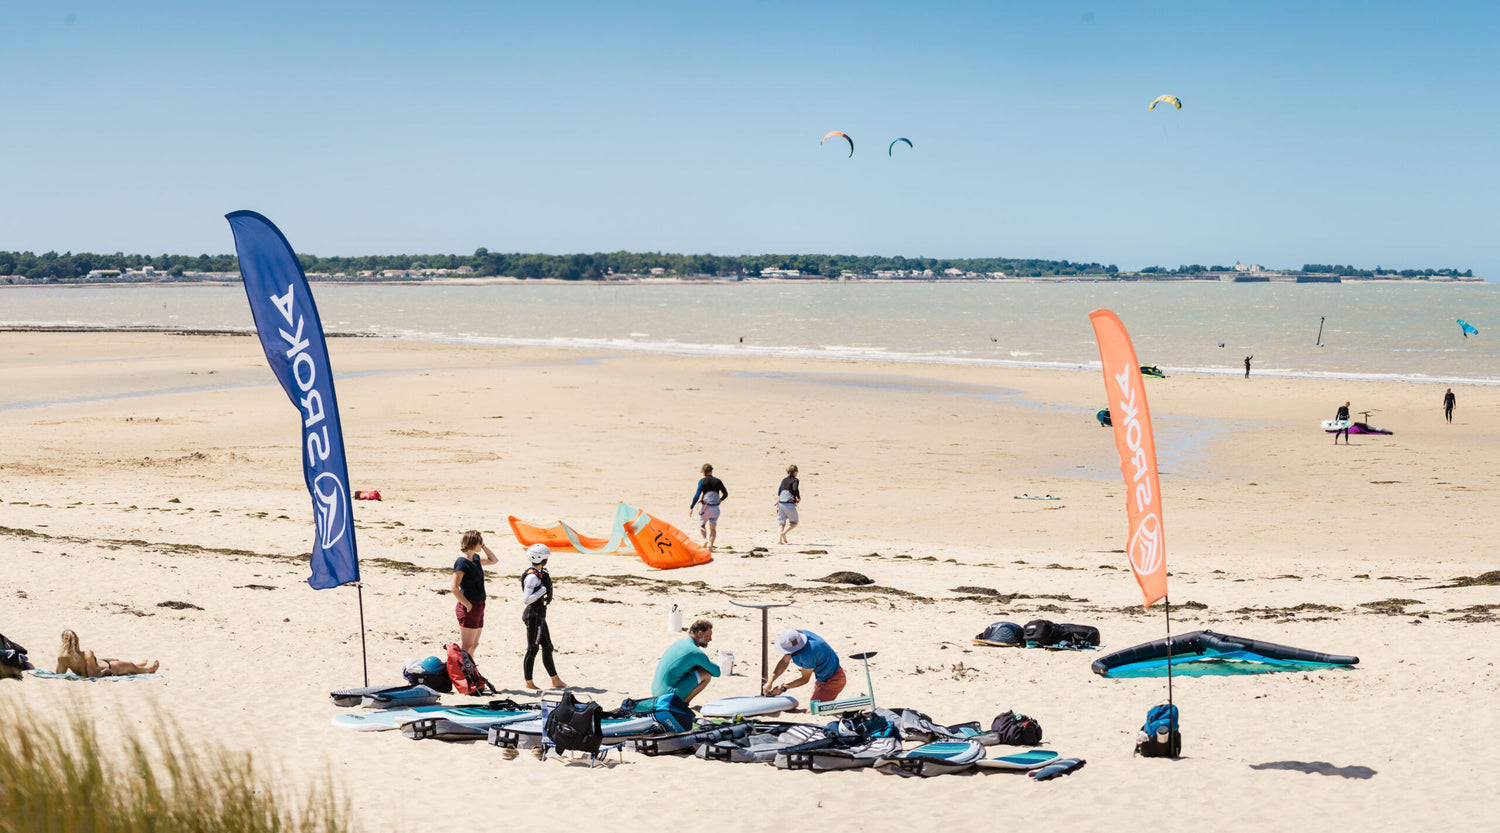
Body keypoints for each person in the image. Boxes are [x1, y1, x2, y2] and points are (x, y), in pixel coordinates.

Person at [520, 543, 567, 690]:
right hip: (533, 615)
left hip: (540, 615)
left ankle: (555, 680)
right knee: (532, 648)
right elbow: (526, 599)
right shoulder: (532, 577)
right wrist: (542, 590)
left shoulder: (540, 572)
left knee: (547, 646)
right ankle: (529, 682)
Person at [762, 628, 845, 702]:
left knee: (813, 712)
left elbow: (804, 679)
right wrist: (770, 681)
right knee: (813, 705)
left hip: (833, 681)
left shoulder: (808, 654)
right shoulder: (797, 636)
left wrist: (783, 688)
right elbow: (784, 662)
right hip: (822, 678)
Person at [451, 529, 497, 655]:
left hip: (480, 604)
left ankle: (471, 673)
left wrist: (484, 546)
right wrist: (468, 605)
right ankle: (461, 673)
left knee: (474, 645)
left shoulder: (475, 558)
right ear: (472, 542)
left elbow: (494, 560)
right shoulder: (462, 562)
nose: (481, 544)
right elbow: (454, 588)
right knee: (466, 646)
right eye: (479, 542)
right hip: (469, 605)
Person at [651, 619, 719, 704]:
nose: (710, 639)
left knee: (693, 668)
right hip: (666, 695)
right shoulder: (695, 652)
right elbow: (717, 672)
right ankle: (684, 704)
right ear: (700, 633)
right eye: (708, 635)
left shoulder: (680, 643)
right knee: (706, 674)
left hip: (655, 692)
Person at [55, 629, 157, 678]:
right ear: (77, 640)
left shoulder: (62, 658)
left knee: (116, 660)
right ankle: (149, 669)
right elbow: (93, 676)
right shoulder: (87, 654)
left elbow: (59, 674)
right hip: (107, 667)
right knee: (131, 666)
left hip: (99, 662)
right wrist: (104, 673)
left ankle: (139, 664)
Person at [689, 463, 729, 550]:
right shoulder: (718, 481)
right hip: (715, 508)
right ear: (711, 470)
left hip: (705, 508)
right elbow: (725, 494)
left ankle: (704, 540)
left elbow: (697, 495)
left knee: (702, 525)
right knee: (713, 529)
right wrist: (720, 500)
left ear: (703, 471)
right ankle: (710, 545)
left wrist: (691, 507)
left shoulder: (702, 481)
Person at [776, 464, 801, 544]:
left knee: (781, 523)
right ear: (795, 472)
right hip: (789, 504)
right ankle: (784, 533)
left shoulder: (784, 480)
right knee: (794, 522)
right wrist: (798, 497)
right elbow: (795, 489)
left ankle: (779, 540)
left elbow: (779, 490)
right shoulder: (795, 480)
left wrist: (779, 499)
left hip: (781, 503)